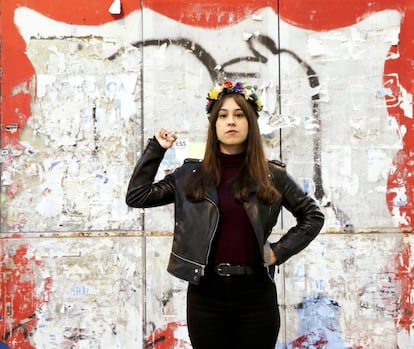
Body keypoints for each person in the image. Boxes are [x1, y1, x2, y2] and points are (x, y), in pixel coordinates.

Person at [126, 81, 325, 349]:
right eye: (223, 115)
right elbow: (137, 196)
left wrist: (279, 251)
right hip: (206, 296)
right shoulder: (189, 175)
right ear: (214, 125)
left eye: (239, 115)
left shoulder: (272, 175)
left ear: (251, 123)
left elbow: (312, 215)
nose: (231, 121)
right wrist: (156, 149)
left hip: (256, 295)